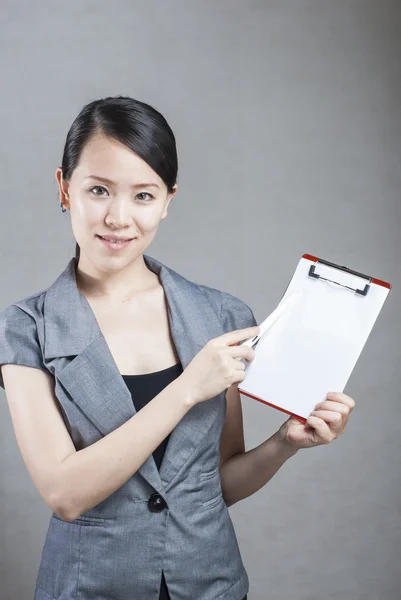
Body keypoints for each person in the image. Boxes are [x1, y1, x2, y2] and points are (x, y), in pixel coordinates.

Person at [0, 95, 355, 600]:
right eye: (98, 189)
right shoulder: (25, 328)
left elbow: (218, 485)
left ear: (168, 200)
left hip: (213, 587)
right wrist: (188, 388)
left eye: (143, 196)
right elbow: (65, 494)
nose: (119, 217)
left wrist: (284, 444)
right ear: (64, 188)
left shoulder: (221, 317)